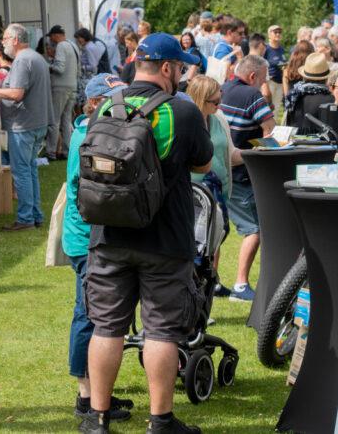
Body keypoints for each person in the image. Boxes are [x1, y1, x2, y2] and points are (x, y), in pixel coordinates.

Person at [81, 33, 213, 434]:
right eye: (181, 67)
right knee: (161, 330)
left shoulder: (104, 105)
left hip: (108, 236)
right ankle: (161, 421)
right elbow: (204, 165)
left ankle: (98, 418)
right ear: (169, 68)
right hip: (165, 239)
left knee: (107, 327)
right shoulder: (182, 111)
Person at [63, 74, 134, 424]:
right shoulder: (85, 138)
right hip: (85, 241)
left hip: (94, 238)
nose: (120, 104)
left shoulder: (95, 131)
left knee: (97, 314)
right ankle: (86, 395)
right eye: (112, 98)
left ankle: (97, 391)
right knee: (88, 314)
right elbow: (87, 193)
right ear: (94, 103)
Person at [0, 23, 52, 231]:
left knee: (22, 172)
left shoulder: (22, 60)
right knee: (29, 171)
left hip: (23, 125)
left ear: (15, 39)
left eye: (4, 39)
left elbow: (16, 94)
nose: (2, 44)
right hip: (36, 122)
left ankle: (25, 219)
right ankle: (34, 215)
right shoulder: (36, 57)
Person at [218, 55, 275, 303]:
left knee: (217, 232)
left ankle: (213, 282)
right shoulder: (252, 96)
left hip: (220, 171)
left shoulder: (223, 89)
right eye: (263, 79)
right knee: (254, 229)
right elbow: (271, 131)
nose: (264, 84)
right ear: (253, 76)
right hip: (242, 173)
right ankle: (241, 285)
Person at [186, 75, 241, 295]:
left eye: (220, 100)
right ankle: (194, 296)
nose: (219, 105)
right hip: (196, 194)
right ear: (201, 99)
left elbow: (230, 152)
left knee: (214, 240)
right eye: (215, 102)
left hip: (218, 191)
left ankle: (207, 292)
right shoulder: (187, 121)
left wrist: (259, 153)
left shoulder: (217, 119)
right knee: (198, 247)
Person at [46, 25, 81, 161]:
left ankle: (51, 152)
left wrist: (47, 65)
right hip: (73, 85)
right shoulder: (73, 46)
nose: (51, 40)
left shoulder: (61, 46)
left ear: (56, 35)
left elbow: (59, 68)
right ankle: (68, 151)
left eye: (51, 36)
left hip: (60, 87)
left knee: (54, 120)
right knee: (66, 121)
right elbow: (78, 70)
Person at [284, 53, 335, 135]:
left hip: (294, 142)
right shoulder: (331, 99)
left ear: (304, 76)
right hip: (320, 144)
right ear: (326, 78)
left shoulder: (293, 95)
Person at [264, 25, 286, 114]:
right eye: (275, 32)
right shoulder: (266, 48)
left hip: (280, 82)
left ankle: (274, 127)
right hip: (270, 82)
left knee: (276, 109)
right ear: (269, 35)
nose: (278, 34)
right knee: (267, 108)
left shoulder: (281, 49)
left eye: (279, 32)